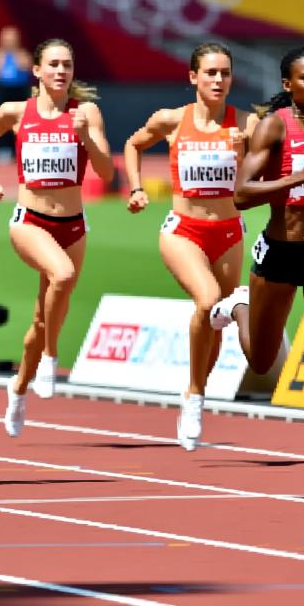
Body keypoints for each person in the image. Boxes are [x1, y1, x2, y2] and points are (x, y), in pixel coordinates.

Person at [209, 46, 304, 476]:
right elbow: (241, 194)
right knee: (261, 362)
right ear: (287, 84)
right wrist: (299, 177)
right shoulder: (273, 128)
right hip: (278, 253)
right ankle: (239, 306)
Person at [0, 38, 115, 438]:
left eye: (67, 64)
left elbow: (106, 173)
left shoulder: (86, 113)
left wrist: (86, 138)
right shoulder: (16, 112)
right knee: (62, 275)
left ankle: (18, 387)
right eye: (53, 64)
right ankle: (51, 357)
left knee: (41, 318)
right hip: (29, 221)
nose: (61, 71)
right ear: (36, 71)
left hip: (73, 226)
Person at [123, 41, 258, 450]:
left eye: (225, 73)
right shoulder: (171, 120)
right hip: (184, 230)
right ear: (193, 77)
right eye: (211, 73)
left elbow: (272, 164)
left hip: (229, 233)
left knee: (215, 321)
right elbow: (133, 144)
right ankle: (196, 397)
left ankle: (195, 391)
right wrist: (136, 187)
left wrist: (251, 149)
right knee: (209, 299)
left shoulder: (246, 123)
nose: (219, 80)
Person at [0, 25, 32, 162]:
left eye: (12, 39)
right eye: (6, 39)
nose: (9, 42)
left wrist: (20, 61)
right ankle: (3, 149)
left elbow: (32, 71)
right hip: (3, 93)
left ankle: (22, 149)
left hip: (20, 93)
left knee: (21, 122)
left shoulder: (22, 54)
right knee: (2, 122)